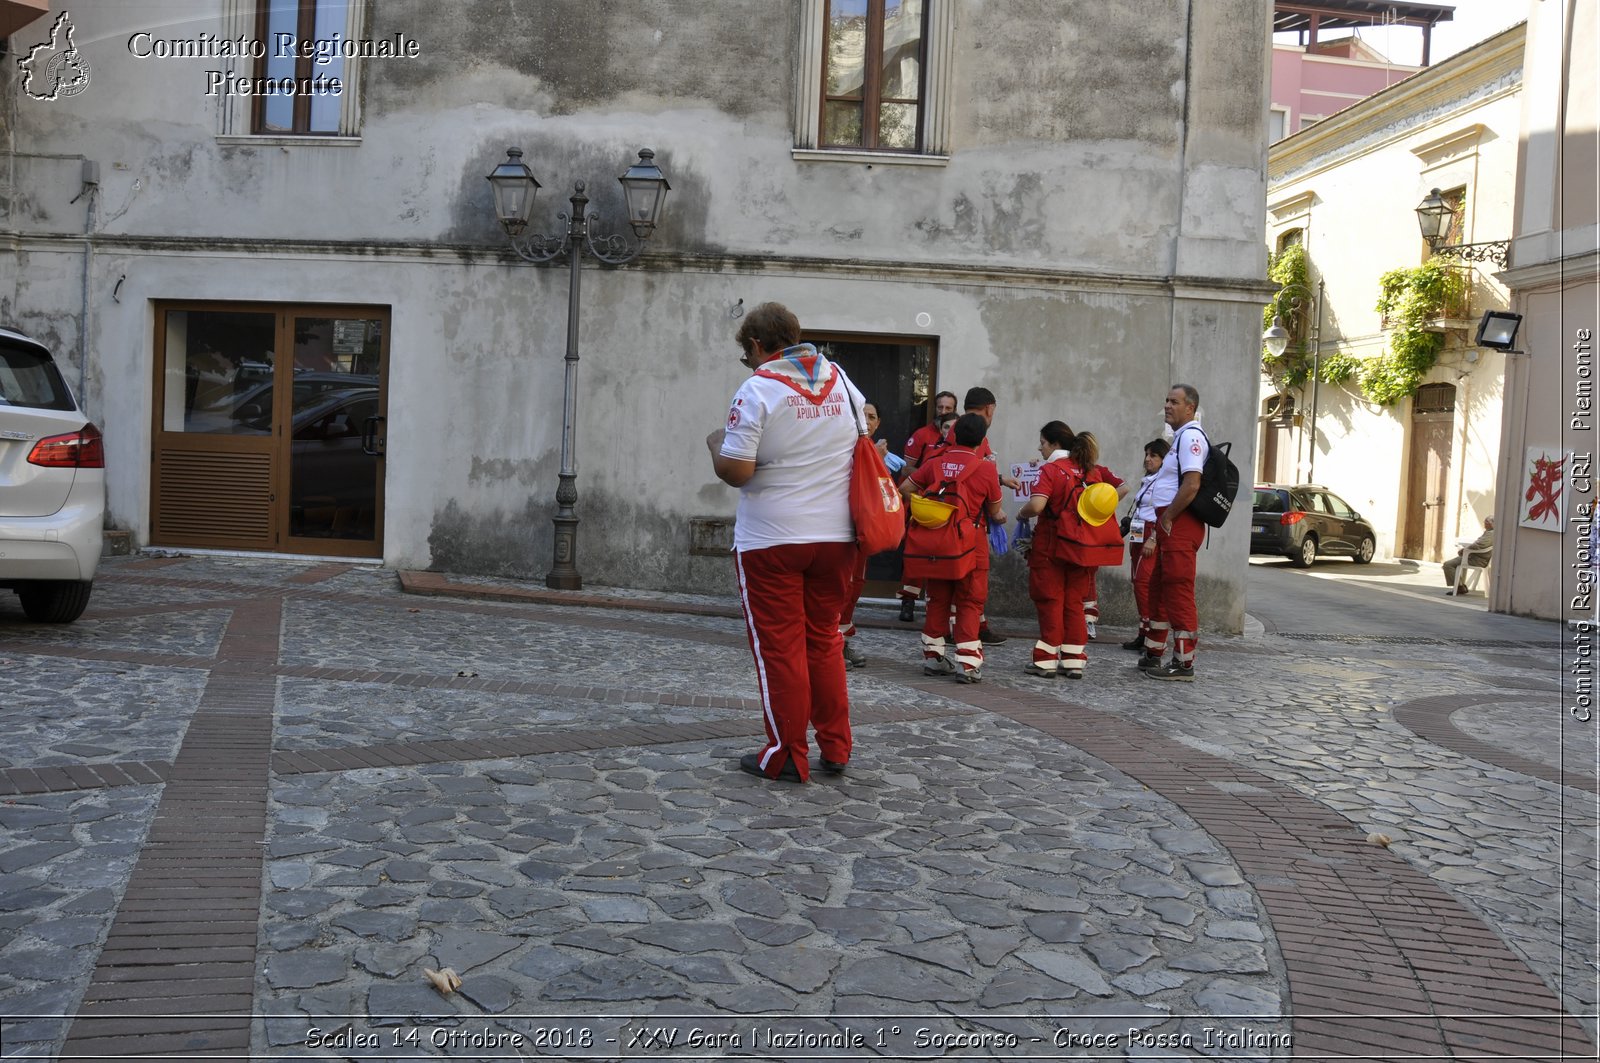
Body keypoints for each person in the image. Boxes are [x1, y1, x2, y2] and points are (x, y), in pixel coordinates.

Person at [706, 302, 863, 782]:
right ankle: (836, 748)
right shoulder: (842, 379)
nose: (748, 364)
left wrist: (715, 445)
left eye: (746, 355)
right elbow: (862, 442)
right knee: (824, 641)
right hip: (836, 535)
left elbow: (737, 471)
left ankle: (786, 753)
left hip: (772, 538)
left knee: (780, 648)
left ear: (756, 346)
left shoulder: (758, 388)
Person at [902, 413, 1005, 683]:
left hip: (937, 540)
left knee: (938, 598)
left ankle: (934, 659)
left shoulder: (935, 463)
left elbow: (905, 488)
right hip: (971, 542)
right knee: (970, 601)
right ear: (982, 439)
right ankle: (968, 664)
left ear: (954, 435)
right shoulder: (985, 469)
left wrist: (930, 510)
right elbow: (995, 511)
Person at [1016, 421, 1101, 679]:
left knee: (1050, 598)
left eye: (1042, 443)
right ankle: (1074, 659)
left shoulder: (1051, 470)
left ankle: (1046, 659)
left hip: (1051, 546)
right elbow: (1119, 490)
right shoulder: (1090, 471)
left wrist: (1022, 514)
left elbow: (1038, 505)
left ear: (1054, 444)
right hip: (1081, 547)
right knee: (1075, 602)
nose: (1039, 448)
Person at [1140, 384, 1208, 682]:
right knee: (1159, 588)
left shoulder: (1191, 437)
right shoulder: (1178, 438)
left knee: (1178, 590)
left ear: (1190, 408)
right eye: (1166, 400)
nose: (1167, 405)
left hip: (1179, 522)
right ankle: (1154, 652)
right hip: (1169, 522)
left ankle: (1183, 662)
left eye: (1175, 402)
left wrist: (1167, 516)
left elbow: (1191, 484)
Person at [838, 402, 903, 668]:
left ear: (877, 425)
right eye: (862, 415)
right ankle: (829, 644)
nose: (866, 420)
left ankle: (840, 640)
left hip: (861, 533)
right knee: (837, 587)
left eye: (872, 417)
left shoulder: (879, 453)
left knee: (854, 586)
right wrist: (872, 457)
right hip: (838, 530)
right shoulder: (840, 446)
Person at [962, 387, 1022, 645]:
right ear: (990, 408)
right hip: (971, 521)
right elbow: (974, 474)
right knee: (971, 584)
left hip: (963, 518)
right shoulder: (975, 433)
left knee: (964, 582)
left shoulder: (960, 430)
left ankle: (975, 626)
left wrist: (999, 479)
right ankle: (968, 637)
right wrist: (996, 511)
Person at [896, 391, 959, 622]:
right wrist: (926, 475)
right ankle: (908, 601)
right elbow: (905, 470)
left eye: (948, 408)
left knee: (945, 558)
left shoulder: (968, 441)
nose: (943, 412)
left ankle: (939, 611)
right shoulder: (923, 436)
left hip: (952, 508)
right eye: (940, 407)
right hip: (924, 504)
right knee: (916, 555)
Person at [1121, 439, 1170, 654]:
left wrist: (1155, 538)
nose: (1148, 459)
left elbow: (1167, 513)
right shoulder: (1148, 480)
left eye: (1154, 456)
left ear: (1164, 460)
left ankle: (1152, 633)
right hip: (1138, 530)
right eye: (1147, 454)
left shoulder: (1166, 481)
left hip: (1151, 532)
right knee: (1136, 581)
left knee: (1144, 583)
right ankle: (1143, 633)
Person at [1081, 459, 1130, 641]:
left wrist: (1100, 504)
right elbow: (1124, 488)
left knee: (1083, 575)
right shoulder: (1098, 470)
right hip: (1091, 530)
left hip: (1085, 529)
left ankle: (1085, 620)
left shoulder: (1097, 471)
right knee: (1088, 576)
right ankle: (1086, 620)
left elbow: (1124, 488)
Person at [1442, 516, 1494, 594]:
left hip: (1477, 559)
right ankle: (1460, 585)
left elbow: (1478, 545)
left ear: (1491, 524)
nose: (1484, 524)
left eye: (1486, 522)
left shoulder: (1490, 534)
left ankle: (1459, 587)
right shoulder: (1489, 532)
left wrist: (1465, 550)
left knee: (1447, 565)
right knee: (1455, 564)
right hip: (1475, 557)